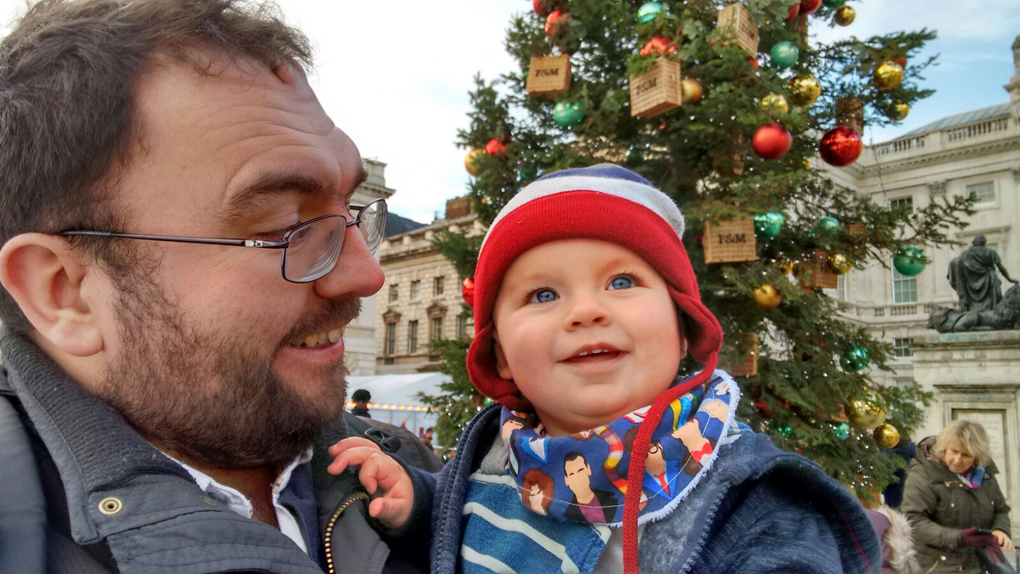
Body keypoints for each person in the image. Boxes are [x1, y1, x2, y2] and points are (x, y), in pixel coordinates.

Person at [0, 1, 439, 572]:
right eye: (286, 227)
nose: (365, 274)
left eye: (353, 215)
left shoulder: (413, 479)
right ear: (66, 292)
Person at [330, 165, 880, 573]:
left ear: (684, 324)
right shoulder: (490, 452)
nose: (586, 310)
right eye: (543, 294)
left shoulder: (758, 500)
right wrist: (416, 503)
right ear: (499, 354)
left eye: (621, 282)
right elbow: (461, 523)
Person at [901, 420, 1013, 572]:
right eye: (954, 451)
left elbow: (1000, 510)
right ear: (945, 448)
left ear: (976, 457)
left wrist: (1000, 529)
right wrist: (957, 537)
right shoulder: (924, 474)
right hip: (935, 565)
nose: (957, 460)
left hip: (976, 564)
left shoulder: (984, 476)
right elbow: (912, 521)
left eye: (966, 455)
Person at [948, 235, 1018, 312]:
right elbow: (1001, 268)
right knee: (995, 308)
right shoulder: (991, 252)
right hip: (989, 282)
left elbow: (954, 263)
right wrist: (1009, 279)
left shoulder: (965, 254)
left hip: (970, 286)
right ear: (983, 243)